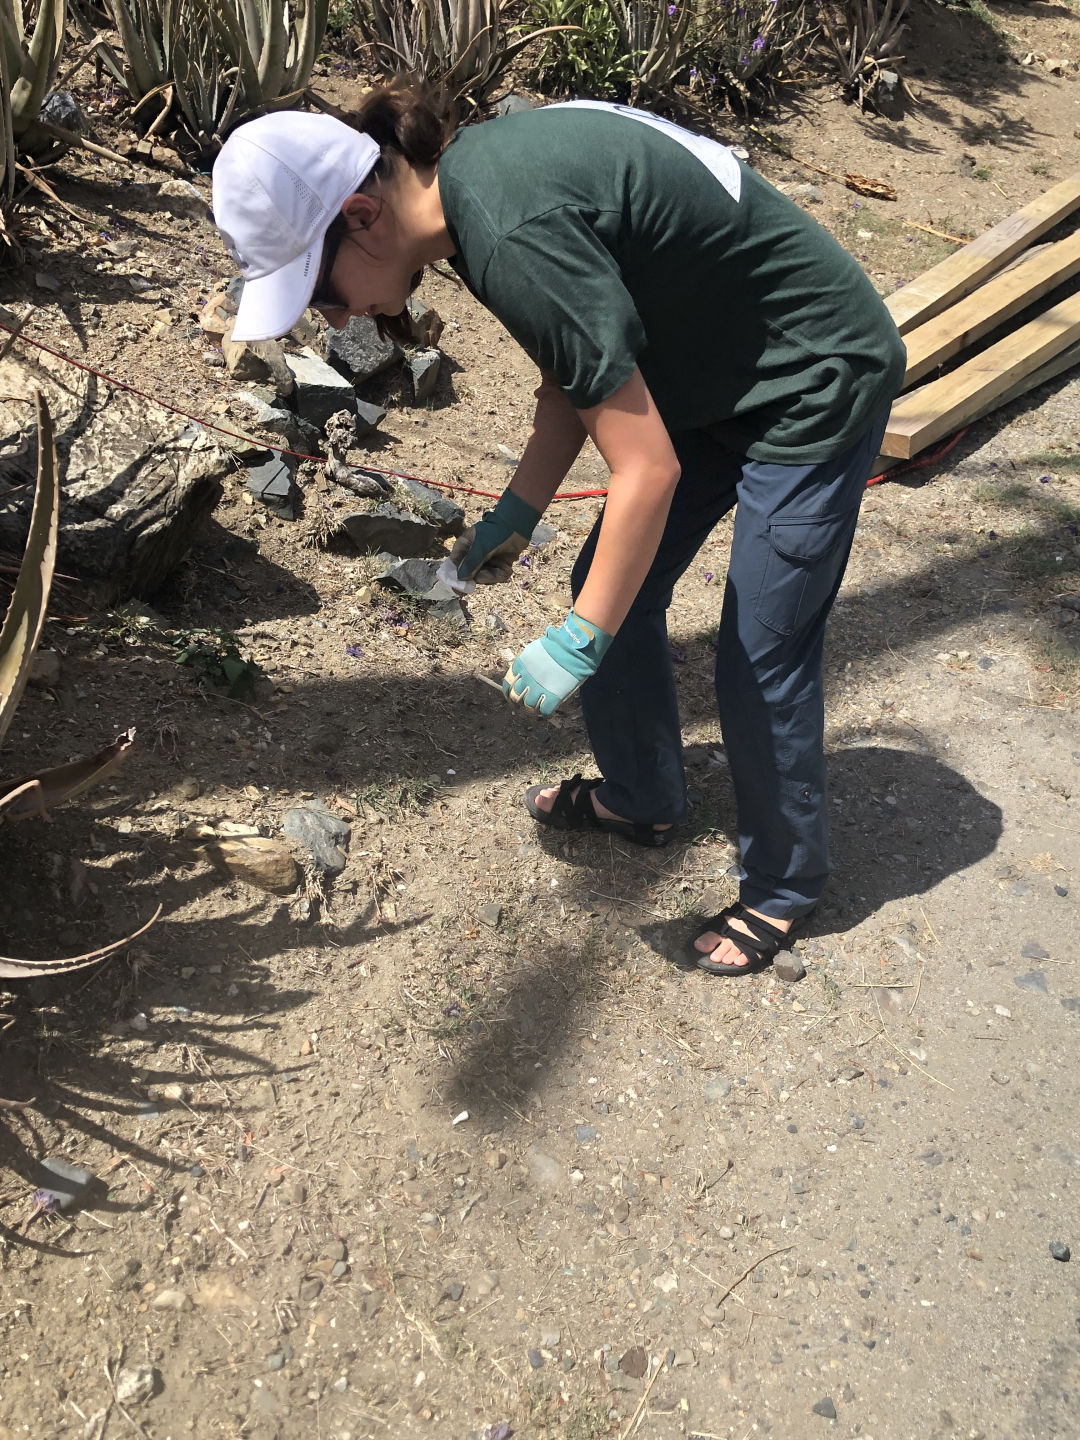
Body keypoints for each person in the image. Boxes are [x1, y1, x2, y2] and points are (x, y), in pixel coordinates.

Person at [211, 87, 906, 976]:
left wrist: (580, 640)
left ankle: (782, 883)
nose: (336, 319)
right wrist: (520, 510)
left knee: (759, 648)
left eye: (319, 288)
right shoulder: (466, 201)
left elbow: (647, 470)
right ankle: (644, 795)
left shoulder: (508, 229)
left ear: (361, 215)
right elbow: (573, 374)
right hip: (714, 373)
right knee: (611, 584)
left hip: (814, 378)